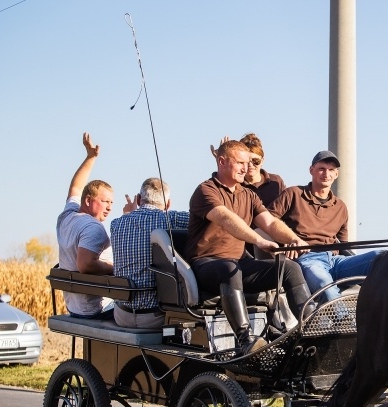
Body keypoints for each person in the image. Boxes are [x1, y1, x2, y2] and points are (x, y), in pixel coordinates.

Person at [187, 139, 313, 356]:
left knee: (289, 267)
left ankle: (312, 328)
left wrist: (294, 240)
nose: (246, 168)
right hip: (207, 264)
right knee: (229, 268)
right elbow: (226, 219)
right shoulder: (206, 191)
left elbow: (271, 223)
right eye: (240, 163)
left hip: (240, 263)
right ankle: (246, 339)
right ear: (222, 161)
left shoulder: (248, 194)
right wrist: (259, 240)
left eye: (249, 163)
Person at [268, 150, 383, 305]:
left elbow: (344, 245)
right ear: (311, 170)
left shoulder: (340, 207)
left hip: (336, 261)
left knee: (381, 256)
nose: (326, 174)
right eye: (321, 168)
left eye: (331, 170)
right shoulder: (293, 194)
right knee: (325, 285)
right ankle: (342, 323)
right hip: (307, 260)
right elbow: (267, 221)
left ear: (336, 174)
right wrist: (286, 242)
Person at [110, 178, 189, 328]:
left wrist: (127, 214)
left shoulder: (116, 224)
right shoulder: (170, 218)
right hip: (153, 317)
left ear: (139, 199)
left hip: (122, 314)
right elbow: (204, 219)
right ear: (168, 204)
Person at [56, 132, 115, 319]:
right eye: (105, 201)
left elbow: (75, 188)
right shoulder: (93, 227)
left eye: (112, 203)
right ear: (88, 200)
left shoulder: (68, 216)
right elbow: (86, 265)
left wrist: (90, 158)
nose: (109, 207)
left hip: (74, 307)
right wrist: (113, 267)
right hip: (97, 309)